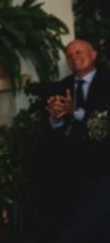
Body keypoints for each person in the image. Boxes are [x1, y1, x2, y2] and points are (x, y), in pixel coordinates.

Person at [36, 39, 110, 242]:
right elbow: (49, 130)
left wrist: (74, 111)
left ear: (93, 54)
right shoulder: (60, 87)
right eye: (69, 55)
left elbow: (102, 124)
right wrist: (55, 117)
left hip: (102, 161)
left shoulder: (107, 82)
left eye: (79, 52)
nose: (73, 57)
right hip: (67, 161)